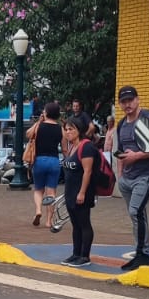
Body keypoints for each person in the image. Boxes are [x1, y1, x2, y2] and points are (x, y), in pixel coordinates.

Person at [114, 84, 149, 271]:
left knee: (135, 212)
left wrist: (137, 156)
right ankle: (140, 253)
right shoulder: (122, 124)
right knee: (137, 216)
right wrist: (120, 175)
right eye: (124, 101)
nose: (128, 104)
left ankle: (143, 255)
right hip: (127, 179)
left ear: (138, 100)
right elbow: (120, 150)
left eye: (130, 100)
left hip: (145, 176)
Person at [61, 113, 98, 266]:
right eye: (66, 129)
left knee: (84, 223)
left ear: (79, 130)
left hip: (82, 192)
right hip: (70, 192)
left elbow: (87, 171)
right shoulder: (71, 147)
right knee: (75, 225)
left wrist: (82, 192)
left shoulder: (86, 146)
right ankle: (76, 253)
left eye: (71, 129)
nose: (68, 132)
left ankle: (85, 256)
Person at [28, 101, 63, 229]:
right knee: (51, 192)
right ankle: (49, 221)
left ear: (46, 113)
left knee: (38, 189)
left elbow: (28, 134)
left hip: (39, 160)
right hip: (54, 160)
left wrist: (39, 121)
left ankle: (38, 210)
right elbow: (64, 148)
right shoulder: (60, 128)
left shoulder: (39, 126)